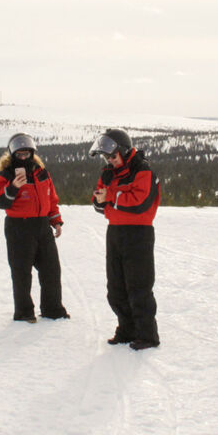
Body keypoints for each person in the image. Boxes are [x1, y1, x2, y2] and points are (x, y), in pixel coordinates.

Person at [90, 128, 161, 350]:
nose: (110, 161)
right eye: (107, 157)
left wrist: (110, 197)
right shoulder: (108, 173)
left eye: (113, 156)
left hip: (138, 233)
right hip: (115, 232)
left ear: (123, 150)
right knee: (116, 286)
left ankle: (147, 334)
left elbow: (139, 202)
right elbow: (98, 201)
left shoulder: (143, 170)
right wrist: (101, 201)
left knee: (138, 286)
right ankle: (127, 328)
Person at [0, 133, 70, 323]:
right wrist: (12, 188)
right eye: (20, 154)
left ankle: (53, 309)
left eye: (27, 154)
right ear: (13, 154)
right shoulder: (7, 174)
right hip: (19, 226)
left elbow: (51, 198)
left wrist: (55, 220)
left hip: (42, 225)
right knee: (21, 272)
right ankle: (24, 312)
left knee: (51, 269)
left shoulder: (41, 171)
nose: (24, 158)